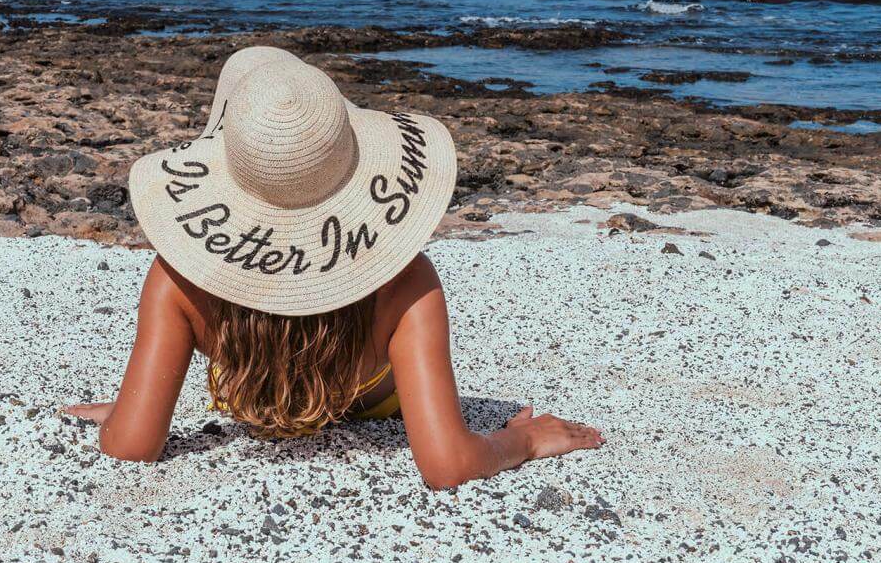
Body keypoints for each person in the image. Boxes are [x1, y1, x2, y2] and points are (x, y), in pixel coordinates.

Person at [65, 47, 603, 488]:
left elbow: (131, 447)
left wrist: (134, 408)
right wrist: (525, 440)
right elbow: (450, 464)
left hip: (257, 390)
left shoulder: (180, 279)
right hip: (369, 400)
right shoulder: (406, 284)